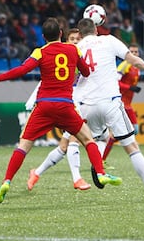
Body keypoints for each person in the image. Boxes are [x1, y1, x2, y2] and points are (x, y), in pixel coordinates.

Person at [0, 18, 122, 203]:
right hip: (65, 105)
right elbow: (87, 72)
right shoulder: (73, 49)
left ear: (43, 37)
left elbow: (22, 70)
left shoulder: (40, 52)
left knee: (23, 146)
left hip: (44, 105)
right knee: (88, 139)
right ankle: (101, 172)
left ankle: (6, 181)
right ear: (61, 34)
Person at [74, 18, 144, 202]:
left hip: (86, 104)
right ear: (96, 29)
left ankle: (98, 167)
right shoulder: (109, 40)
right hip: (110, 101)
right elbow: (132, 59)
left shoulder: (76, 47)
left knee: (99, 139)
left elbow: (72, 75)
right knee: (131, 146)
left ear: (79, 34)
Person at [26, 28, 91, 191]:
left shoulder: (81, 56)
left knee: (64, 145)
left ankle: (36, 172)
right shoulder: (65, 56)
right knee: (74, 140)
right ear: (65, 40)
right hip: (66, 103)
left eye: (78, 38)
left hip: (76, 101)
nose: (76, 41)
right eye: (72, 38)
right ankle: (78, 179)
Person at [101, 43, 142, 166]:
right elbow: (116, 82)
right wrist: (131, 88)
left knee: (134, 130)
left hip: (128, 104)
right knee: (126, 132)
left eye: (136, 52)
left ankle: (103, 156)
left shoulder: (137, 68)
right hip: (120, 103)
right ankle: (101, 159)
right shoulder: (124, 65)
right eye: (132, 52)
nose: (134, 54)